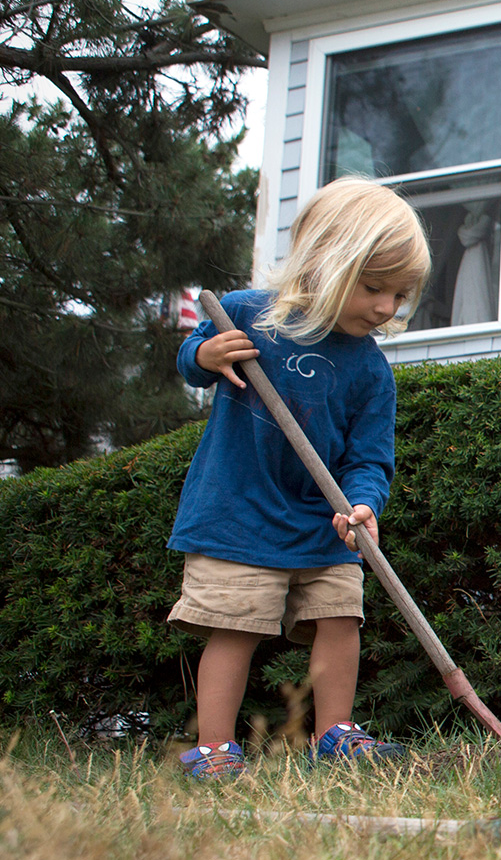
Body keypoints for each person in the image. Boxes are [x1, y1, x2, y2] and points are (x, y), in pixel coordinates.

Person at [167, 178, 432, 779]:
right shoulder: (243, 315)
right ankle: (213, 750)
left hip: (323, 520)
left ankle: (335, 734)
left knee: (342, 616)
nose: (387, 308)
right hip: (239, 512)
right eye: (373, 288)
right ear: (326, 263)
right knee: (236, 627)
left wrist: (363, 506)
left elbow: (369, 460)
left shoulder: (369, 371)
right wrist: (206, 357)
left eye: (399, 293)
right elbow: (193, 357)